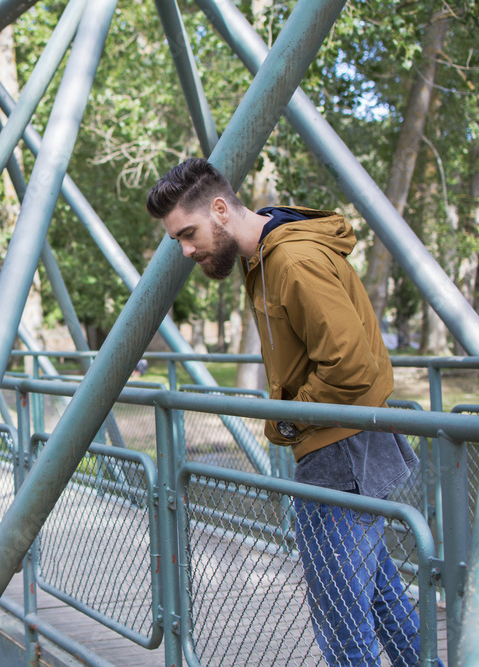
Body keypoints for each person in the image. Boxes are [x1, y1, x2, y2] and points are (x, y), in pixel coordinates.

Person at [146, 158, 430, 666]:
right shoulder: (265, 258)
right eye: (178, 242)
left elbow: (351, 367)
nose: (186, 250)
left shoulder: (291, 260)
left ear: (219, 209)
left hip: (338, 453)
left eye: (188, 234)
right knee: (383, 602)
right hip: (343, 445)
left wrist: (286, 418)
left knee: (344, 629)